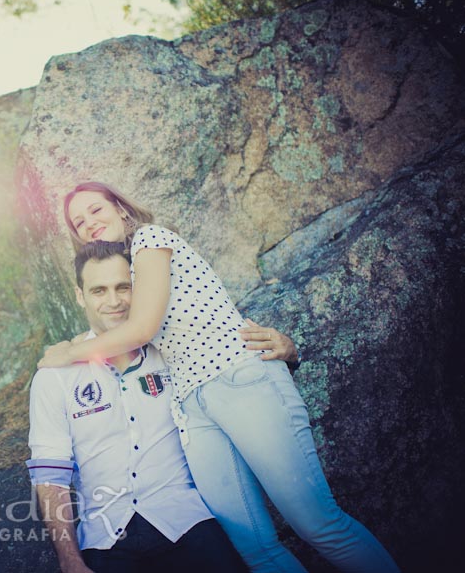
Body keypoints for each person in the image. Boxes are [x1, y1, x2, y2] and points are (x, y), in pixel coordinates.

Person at [37, 182, 400, 573]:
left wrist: (69, 353)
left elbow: (142, 329)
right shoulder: (127, 276)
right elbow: (121, 324)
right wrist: (82, 342)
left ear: (121, 210)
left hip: (235, 378)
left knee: (320, 525)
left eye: (95, 210)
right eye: (78, 222)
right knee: (255, 548)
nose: (88, 223)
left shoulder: (150, 240)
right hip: (193, 410)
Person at [28, 240, 249, 573]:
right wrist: (70, 560)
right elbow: (51, 474)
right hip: (106, 535)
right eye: (99, 290)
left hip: (184, 517)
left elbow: (229, 352)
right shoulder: (54, 378)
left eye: (123, 287)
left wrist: (285, 349)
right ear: (80, 296)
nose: (114, 301)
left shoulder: (170, 352)